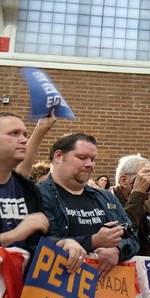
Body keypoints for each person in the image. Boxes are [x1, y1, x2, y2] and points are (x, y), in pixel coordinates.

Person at [39, 133, 139, 275]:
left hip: (107, 285)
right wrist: (92, 241)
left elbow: (133, 237)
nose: (90, 164)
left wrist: (118, 249)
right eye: (82, 157)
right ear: (58, 156)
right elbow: (36, 242)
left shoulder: (106, 197)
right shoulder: (38, 194)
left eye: (93, 159)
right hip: (56, 282)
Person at [0, 113, 50, 251]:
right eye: (14, 133)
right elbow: (19, 233)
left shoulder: (28, 190)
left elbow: (39, 241)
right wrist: (13, 235)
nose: (23, 140)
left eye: (25, 135)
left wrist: (63, 243)